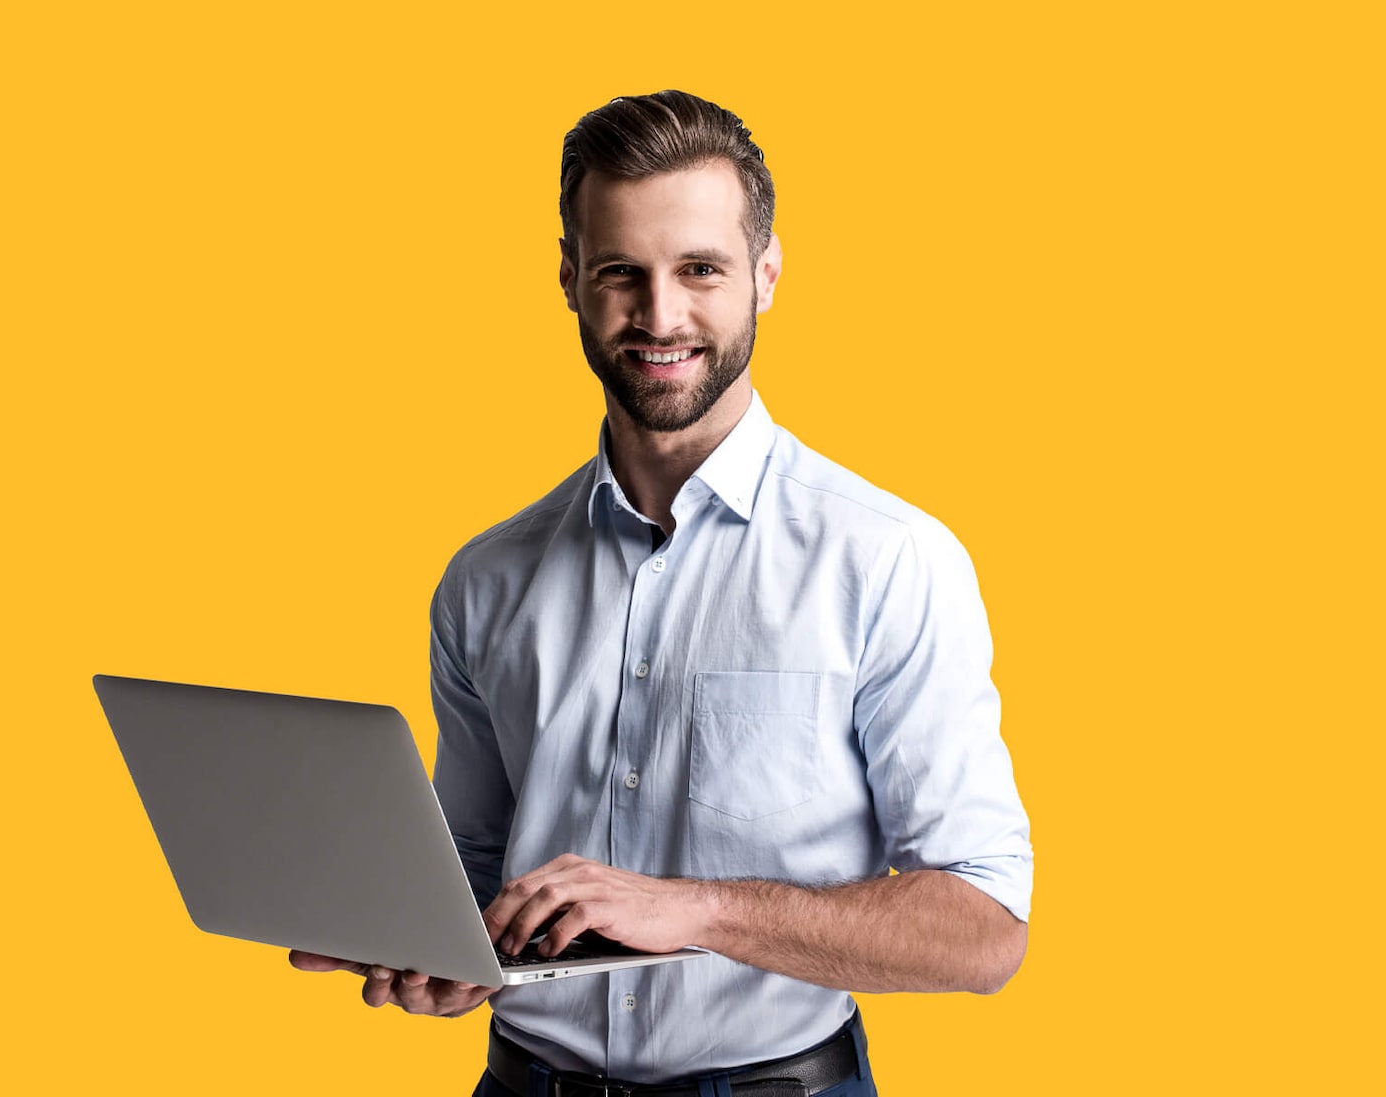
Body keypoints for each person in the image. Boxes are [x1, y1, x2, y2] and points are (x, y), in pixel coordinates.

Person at [287, 90, 1033, 1096]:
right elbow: (473, 860)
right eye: (619, 274)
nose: (660, 315)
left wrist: (699, 908)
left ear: (765, 275)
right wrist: (430, 941)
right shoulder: (486, 578)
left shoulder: (887, 560)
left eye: (700, 270)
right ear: (568, 280)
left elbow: (982, 929)